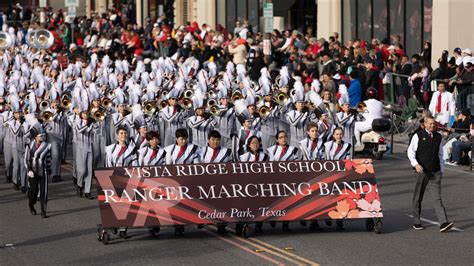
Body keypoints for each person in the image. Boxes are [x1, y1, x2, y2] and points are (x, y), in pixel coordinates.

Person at [407, 116, 454, 232]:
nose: (432, 126)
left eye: (434, 124)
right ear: (425, 124)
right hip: (421, 171)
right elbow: (410, 151)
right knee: (418, 197)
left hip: (435, 171)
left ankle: (443, 223)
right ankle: (416, 221)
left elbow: (440, 154)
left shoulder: (438, 137)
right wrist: (416, 164)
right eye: (430, 124)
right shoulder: (418, 136)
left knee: (437, 198)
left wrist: (442, 170)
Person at [164, 128, 200, 236]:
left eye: (185, 139)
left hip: (189, 180)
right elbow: (167, 165)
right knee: (176, 204)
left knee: (189, 203)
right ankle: (178, 226)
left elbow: (196, 163)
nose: (183, 141)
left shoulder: (192, 148)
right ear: (176, 139)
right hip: (175, 180)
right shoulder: (169, 149)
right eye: (181, 139)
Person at [135, 131, 166, 236]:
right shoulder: (141, 152)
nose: (154, 141)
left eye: (156, 138)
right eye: (152, 139)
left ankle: (156, 224)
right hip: (146, 181)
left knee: (158, 205)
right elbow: (138, 166)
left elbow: (166, 165)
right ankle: (151, 226)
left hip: (159, 180)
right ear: (148, 140)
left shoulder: (163, 151)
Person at [267, 130, 299, 232]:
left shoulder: (293, 149)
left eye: (285, 136)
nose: (283, 139)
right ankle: (272, 219)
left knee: (287, 202)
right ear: (277, 140)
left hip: (289, 179)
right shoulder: (272, 150)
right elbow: (270, 165)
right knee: (274, 202)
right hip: (276, 179)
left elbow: (296, 164)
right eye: (280, 137)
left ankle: (286, 223)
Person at [24, 124, 51, 218]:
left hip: (44, 171)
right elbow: (26, 159)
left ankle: (44, 211)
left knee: (44, 192)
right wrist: (28, 170)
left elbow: (48, 159)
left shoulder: (47, 145)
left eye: (43, 135)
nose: (43, 137)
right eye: (41, 135)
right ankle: (31, 205)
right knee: (34, 192)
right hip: (33, 172)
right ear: (35, 137)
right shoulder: (29, 145)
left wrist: (49, 170)